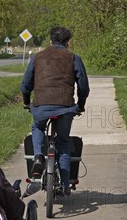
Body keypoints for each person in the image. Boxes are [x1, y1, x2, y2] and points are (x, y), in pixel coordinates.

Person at [20, 26, 90, 194]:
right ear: (68, 42)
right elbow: (84, 87)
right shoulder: (74, 57)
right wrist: (80, 105)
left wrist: (27, 102)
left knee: (38, 127)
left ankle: (38, 156)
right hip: (65, 107)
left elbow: (25, 85)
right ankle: (65, 186)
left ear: (50, 41)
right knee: (63, 142)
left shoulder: (38, 57)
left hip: (41, 106)